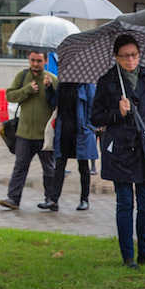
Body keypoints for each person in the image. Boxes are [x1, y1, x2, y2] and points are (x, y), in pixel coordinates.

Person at [90, 33, 145, 268]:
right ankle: (128, 257)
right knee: (125, 204)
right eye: (125, 56)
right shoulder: (107, 81)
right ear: (116, 57)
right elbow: (94, 117)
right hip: (119, 150)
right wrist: (117, 112)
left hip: (144, 149)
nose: (130, 60)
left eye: (134, 55)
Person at [0, 49, 58, 210]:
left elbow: (59, 104)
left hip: (45, 134)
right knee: (20, 166)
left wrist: (50, 88)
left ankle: (51, 199)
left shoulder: (52, 79)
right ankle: (13, 199)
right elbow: (10, 96)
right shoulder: (22, 76)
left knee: (49, 169)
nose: (35, 64)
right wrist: (27, 90)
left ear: (46, 61)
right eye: (32, 60)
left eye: (39, 61)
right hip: (24, 133)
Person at [45, 80, 97, 212]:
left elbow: (93, 106)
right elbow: (53, 103)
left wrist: (90, 127)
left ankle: (84, 200)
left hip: (81, 132)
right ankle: (53, 200)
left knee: (83, 167)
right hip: (63, 132)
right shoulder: (62, 84)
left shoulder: (87, 85)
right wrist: (49, 88)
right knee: (59, 166)